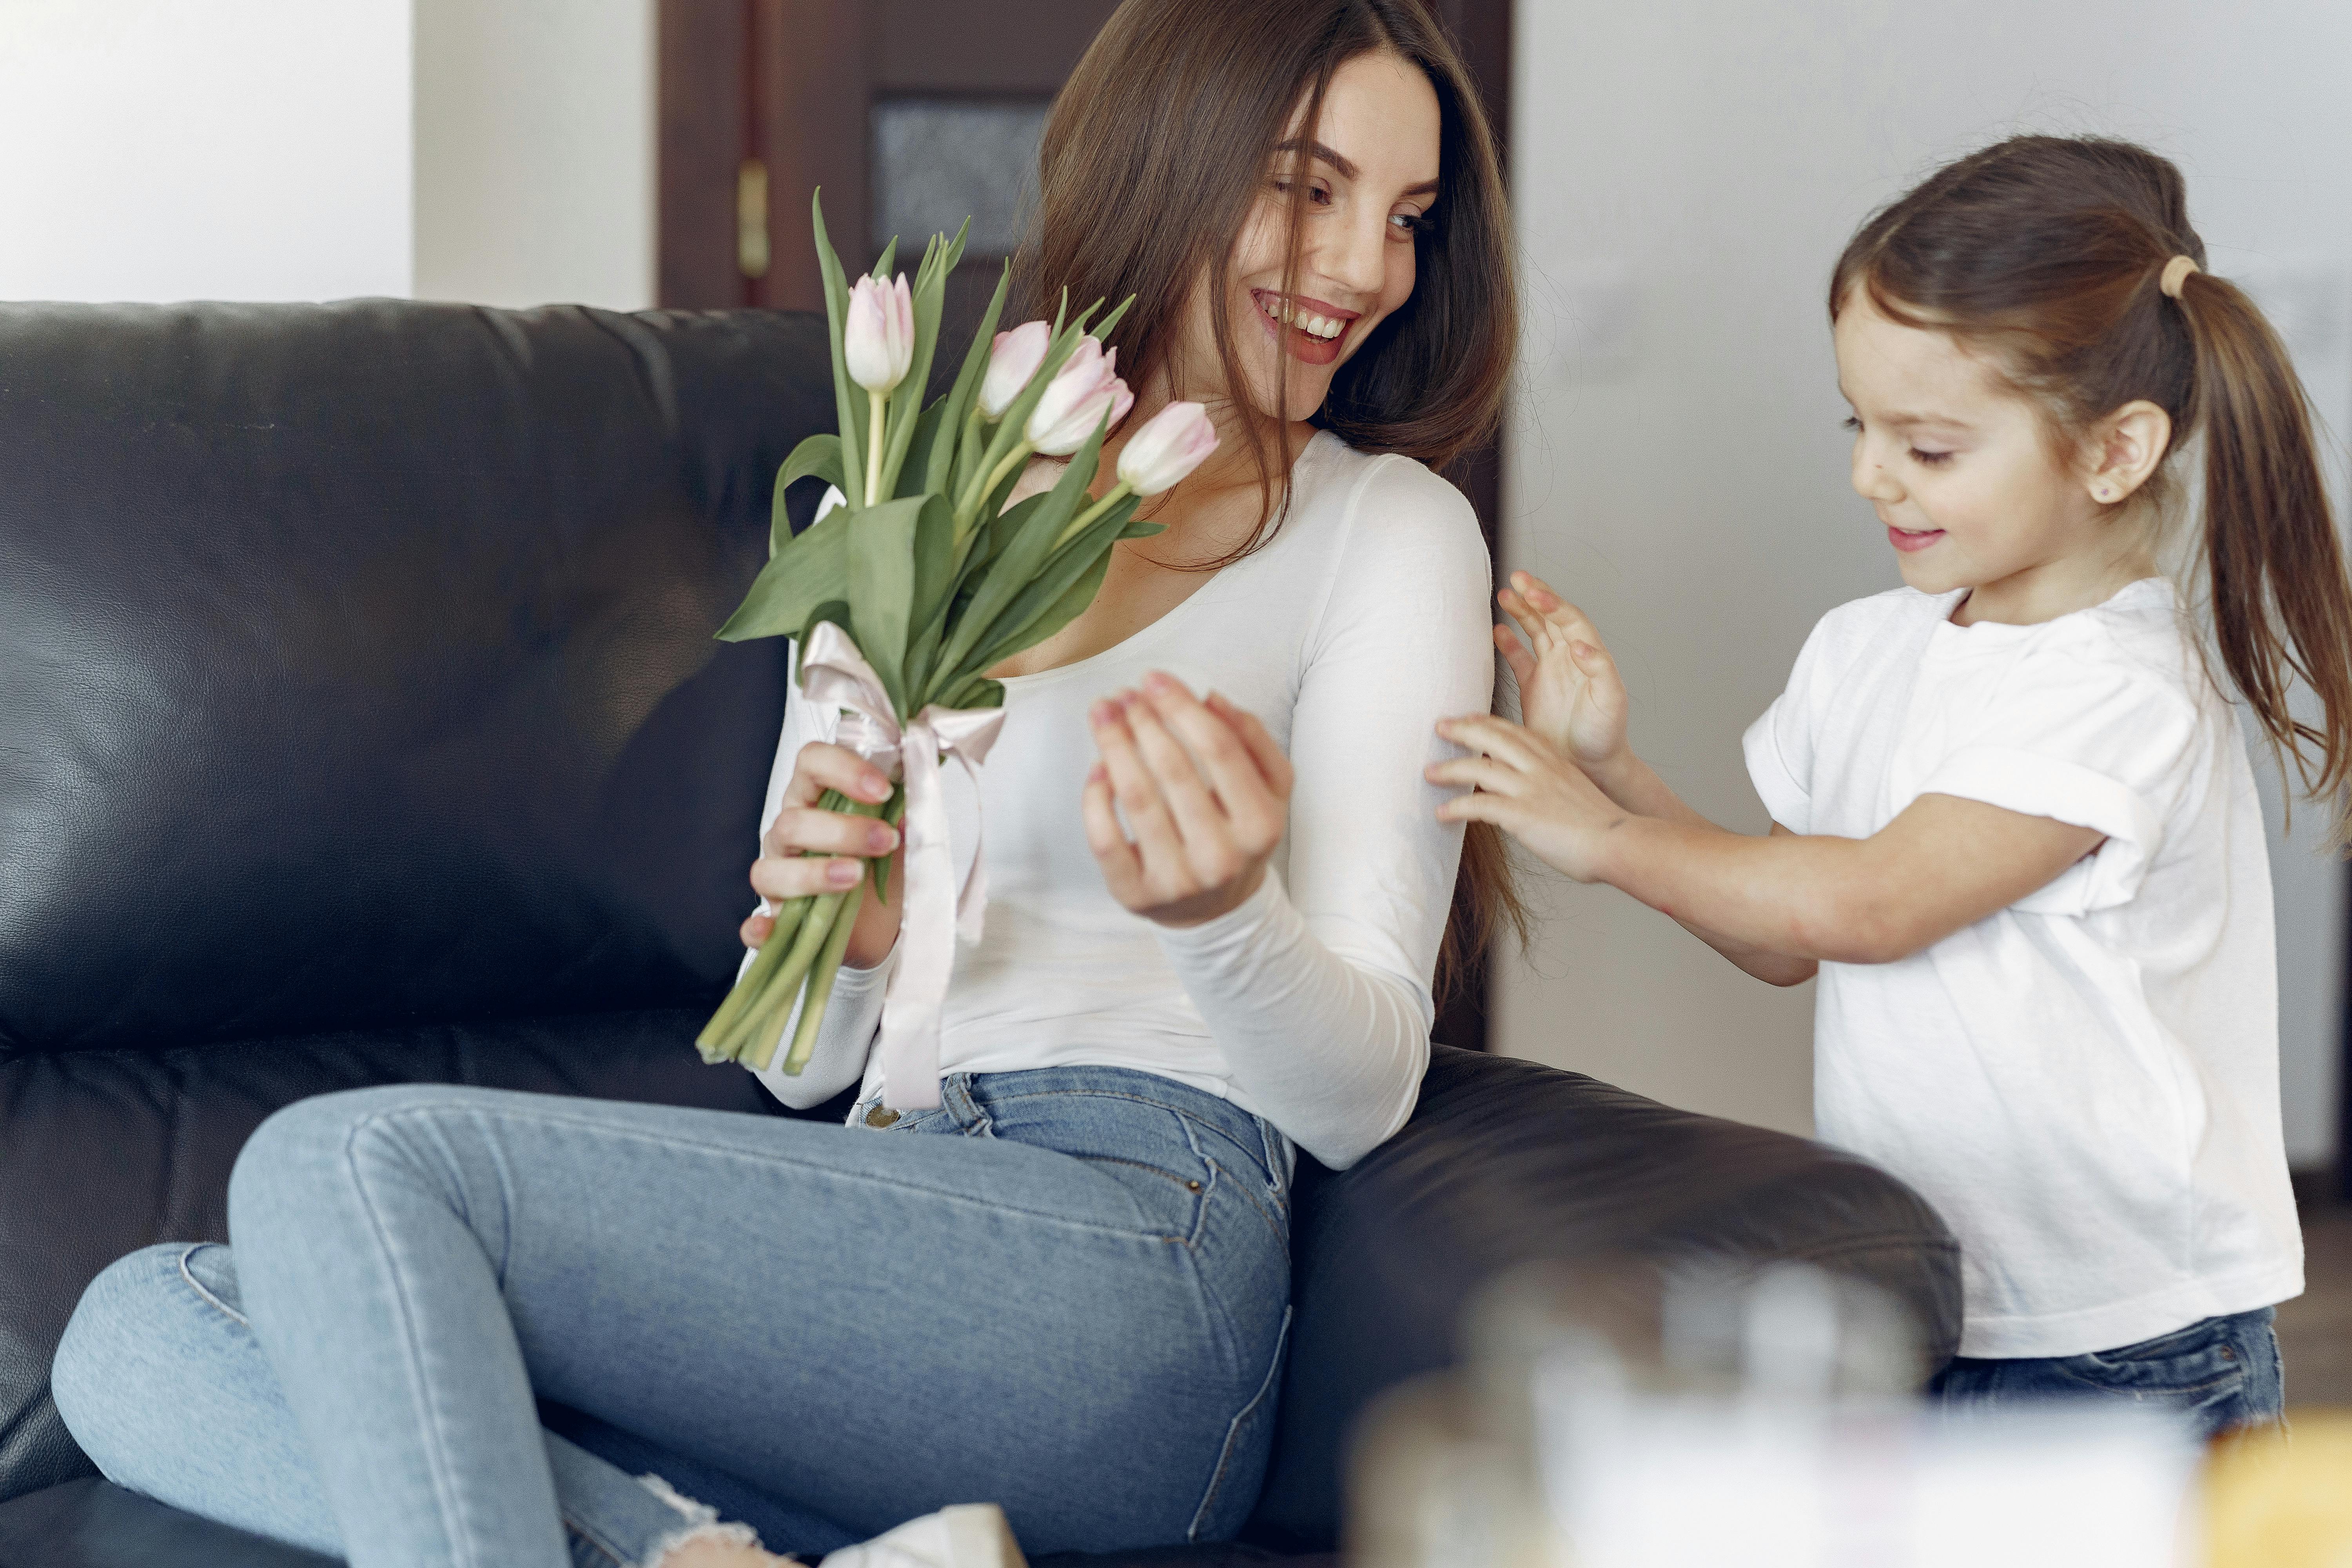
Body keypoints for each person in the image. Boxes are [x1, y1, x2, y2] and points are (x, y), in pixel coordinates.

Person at [47, 2, 1521, 1564]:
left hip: (1134, 1257)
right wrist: (855, 943)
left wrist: (1225, 914)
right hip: (873, 1225)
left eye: (1408, 219)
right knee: (137, 1327)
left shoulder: (1387, 531)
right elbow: (809, 1064)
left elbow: (1363, 1095)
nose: (1367, 267)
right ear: (1170, 159)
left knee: (342, 1160)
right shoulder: (912, 501)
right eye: (1310, 189)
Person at [1433, 134, 2335, 1440]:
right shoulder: (1867, 651)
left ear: (2116, 451)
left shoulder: (2119, 692)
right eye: (1860, 426)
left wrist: (1604, 840)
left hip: (2128, 1343)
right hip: (1927, 1301)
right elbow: (1789, 936)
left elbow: (1870, 906)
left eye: (1929, 446)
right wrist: (1611, 769)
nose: (1870, 476)